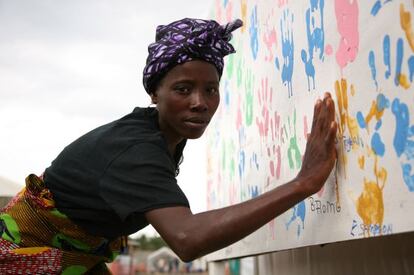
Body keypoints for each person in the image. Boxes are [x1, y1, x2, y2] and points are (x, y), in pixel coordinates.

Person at [0, 18, 337, 274]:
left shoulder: (163, 138)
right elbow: (187, 239)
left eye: (211, 89)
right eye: (183, 89)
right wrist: (303, 183)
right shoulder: (134, 151)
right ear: (154, 93)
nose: (200, 102)